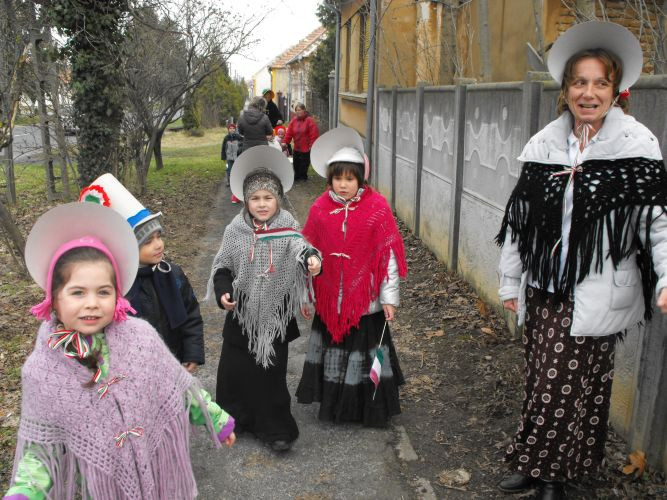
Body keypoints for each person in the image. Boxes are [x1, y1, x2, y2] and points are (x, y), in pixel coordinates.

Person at [495, 21, 667, 500]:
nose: (588, 92)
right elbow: (520, 223)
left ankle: (552, 475)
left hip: (600, 290)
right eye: (579, 82)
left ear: (617, 90)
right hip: (546, 287)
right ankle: (543, 466)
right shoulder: (543, 145)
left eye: (599, 83)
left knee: (575, 387)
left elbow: (659, 222)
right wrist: (510, 283)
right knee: (544, 380)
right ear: (566, 89)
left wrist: (666, 277)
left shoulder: (638, 146)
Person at [5, 202, 235, 500]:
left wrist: (215, 419)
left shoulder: (141, 337)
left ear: (118, 295)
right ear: (54, 298)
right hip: (99, 487)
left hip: (154, 472)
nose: (92, 303)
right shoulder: (41, 371)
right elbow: (41, 448)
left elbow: (177, 387)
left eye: (103, 291)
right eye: (77, 292)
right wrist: (25, 491)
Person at [205, 146, 322, 452]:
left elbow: (300, 248)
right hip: (241, 310)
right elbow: (223, 265)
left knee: (270, 373)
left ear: (278, 199)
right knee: (235, 370)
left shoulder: (288, 225)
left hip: (275, 313)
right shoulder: (236, 229)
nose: (261, 204)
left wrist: (310, 258)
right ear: (246, 200)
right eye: (255, 198)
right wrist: (223, 291)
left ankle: (274, 427)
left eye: (268, 197)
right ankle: (234, 419)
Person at [296, 126, 408, 428]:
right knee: (337, 353)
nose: (343, 184)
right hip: (331, 302)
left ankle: (371, 407)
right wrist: (307, 293)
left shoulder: (377, 208)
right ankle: (336, 404)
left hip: (367, 304)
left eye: (350, 178)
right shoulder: (320, 210)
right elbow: (305, 255)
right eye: (337, 178)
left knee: (367, 354)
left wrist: (389, 298)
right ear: (329, 178)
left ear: (361, 177)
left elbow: (388, 259)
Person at [80, 174, 205, 373]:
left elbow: (190, 315)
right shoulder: (117, 288)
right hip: (135, 372)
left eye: (158, 236)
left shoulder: (171, 274)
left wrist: (192, 352)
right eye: (147, 241)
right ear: (127, 247)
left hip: (174, 362)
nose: (158, 245)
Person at [283, 102, 319, 182]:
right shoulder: (294, 121)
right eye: (297, 110)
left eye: (300, 110)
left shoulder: (309, 121)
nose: (298, 112)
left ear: (304, 110)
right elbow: (289, 133)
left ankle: (303, 176)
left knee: (304, 164)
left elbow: (314, 134)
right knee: (296, 163)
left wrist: (312, 145)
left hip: (306, 147)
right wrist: (285, 142)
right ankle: (297, 176)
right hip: (297, 146)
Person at [221, 122, 242, 192]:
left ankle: (238, 181)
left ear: (235, 129)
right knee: (228, 169)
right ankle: (229, 181)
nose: (232, 129)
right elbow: (223, 148)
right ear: (228, 129)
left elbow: (242, 144)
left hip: (237, 156)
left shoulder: (238, 137)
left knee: (237, 168)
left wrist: (239, 148)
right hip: (229, 157)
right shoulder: (226, 138)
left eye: (233, 128)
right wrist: (223, 157)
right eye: (230, 128)